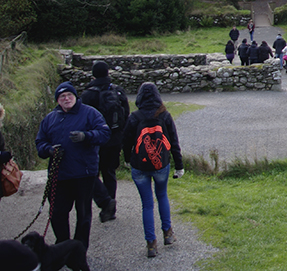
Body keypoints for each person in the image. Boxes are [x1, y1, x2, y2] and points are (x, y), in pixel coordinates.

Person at [36, 81, 110, 252]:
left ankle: (79, 249)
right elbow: (40, 142)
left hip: (84, 173)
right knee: (57, 213)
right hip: (59, 175)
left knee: (83, 214)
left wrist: (86, 136)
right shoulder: (50, 119)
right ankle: (63, 245)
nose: (66, 98)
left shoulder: (90, 113)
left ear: (76, 97)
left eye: (69, 95)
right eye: (62, 96)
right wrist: (49, 150)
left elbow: (105, 133)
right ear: (58, 100)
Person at [123, 82, 183, 258]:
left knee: (147, 204)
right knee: (162, 196)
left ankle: (151, 244)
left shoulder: (134, 117)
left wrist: (127, 159)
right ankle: (168, 233)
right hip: (161, 165)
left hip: (139, 166)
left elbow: (126, 142)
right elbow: (173, 143)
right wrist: (179, 165)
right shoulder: (164, 115)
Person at [79, 60, 130, 223]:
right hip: (114, 140)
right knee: (110, 173)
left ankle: (103, 204)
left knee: (91, 174)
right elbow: (126, 115)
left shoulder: (87, 95)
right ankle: (111, 209)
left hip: (94, 141)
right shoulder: (118, 91)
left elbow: (82, 119)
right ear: (108, 72)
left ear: (93, 74)